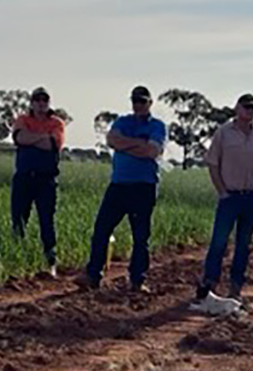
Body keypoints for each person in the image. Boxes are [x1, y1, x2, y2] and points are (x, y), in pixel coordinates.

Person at [84, 86, 166, 293]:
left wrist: (125, 145)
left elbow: (152, 151)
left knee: (140, 237)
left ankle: (137, 280)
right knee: (101, 230)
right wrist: (140, 144)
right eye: (135, 101)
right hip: (119, 184)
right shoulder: (122, 121)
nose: (138, 105)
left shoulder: (157, 125)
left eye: (142, 101)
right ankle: (93, 275)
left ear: (150, 103)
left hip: (144, 186)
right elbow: (112, 140)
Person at [198, 94, 253, 302]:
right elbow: (212, 163)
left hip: (252, 198)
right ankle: (209, 284)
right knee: (219, 242)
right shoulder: (224, 133)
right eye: (247, 107)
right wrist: (222, 191)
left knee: (244, 244)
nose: (250, 110)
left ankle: (236, 286)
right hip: (230, 197)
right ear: (237, 108)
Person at [10, 87, 66, 276]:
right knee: (18, 220)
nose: (41, 104)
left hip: (46, 180)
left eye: (45, 100)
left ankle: (50, 263)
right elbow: (19, 137)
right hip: (24, 178)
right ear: (32, 103)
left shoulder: (57, 123)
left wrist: (32, 140)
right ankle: (16, 261)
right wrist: (42, 138)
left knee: (46, 221)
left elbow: (53, 144)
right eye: (37, 100)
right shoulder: (22, 119)